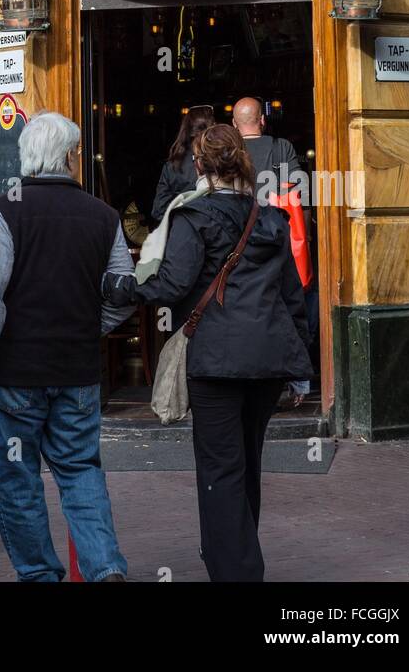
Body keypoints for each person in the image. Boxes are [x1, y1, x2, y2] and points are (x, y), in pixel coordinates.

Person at [103, 123, 312, 582]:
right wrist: (300, 369)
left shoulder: (193, 219)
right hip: (267, 360)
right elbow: (291, 295)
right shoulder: (271, 218)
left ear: (199, 166)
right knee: (247, 463)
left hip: (216, 361)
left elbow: (172, 283)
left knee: (220, 467)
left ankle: (237, 569)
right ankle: (231, 557)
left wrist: (122, 286)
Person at [0, 110, 135, 583]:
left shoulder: (6, 209)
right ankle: (105, 569)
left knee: (18, 480)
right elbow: (124, 291)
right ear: (72, 157)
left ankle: (39, 575)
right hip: (77, 371)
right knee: (80, 470)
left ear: (28, 155)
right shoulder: (104, 215)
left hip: (17, 373)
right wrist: (87, 327)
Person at [232, 96, 315, 407]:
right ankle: (298, 381)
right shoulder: (282, 148)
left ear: (234, 125)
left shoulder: (229, 151)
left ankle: (251, 383)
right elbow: (299, 196)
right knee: (294, 307)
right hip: (278, 241)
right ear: (262, 120)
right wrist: (302, 240)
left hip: (237, 247)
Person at [151, 104, 216, 222]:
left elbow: (159, 211)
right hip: (219, 234)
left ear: (186, 129)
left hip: (185, 233)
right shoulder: (224, 161)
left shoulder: (173, 165)